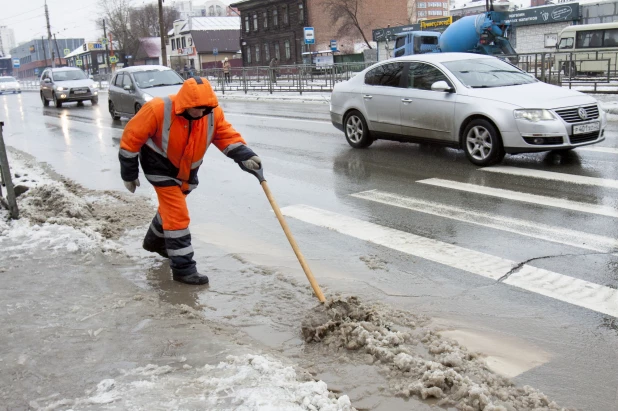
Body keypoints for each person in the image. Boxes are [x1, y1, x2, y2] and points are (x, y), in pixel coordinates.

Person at [118, 77, 261, 285]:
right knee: (177, 215)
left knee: (171, 209)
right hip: (159, 166)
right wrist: (129, 174)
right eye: (196, 109)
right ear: (185, 103)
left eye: (205, 109)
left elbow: (225, 135)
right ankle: (184, 268)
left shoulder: (211, 114)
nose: (200, 113)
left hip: (187, 171)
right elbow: (131, 139)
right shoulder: (158, 109)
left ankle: (154, 242)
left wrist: (246, 155)